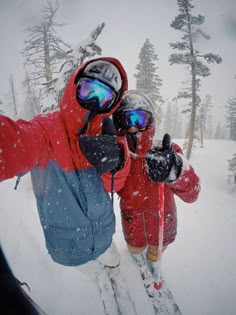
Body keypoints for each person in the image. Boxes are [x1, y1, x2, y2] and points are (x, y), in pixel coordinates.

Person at [0, 57, 131, 270]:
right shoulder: (45, 131)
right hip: (68, 247)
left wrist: (118, 161)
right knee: (87, 277)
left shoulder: (105, 135)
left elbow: (112, 185)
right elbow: (12, 142)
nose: (94, 102)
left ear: (112, 104)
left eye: (104, 97)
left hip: (105, 233)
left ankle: (111, 269)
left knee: (113, 262)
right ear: (74, 87)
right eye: (89, 90)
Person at [112, 90, 200, 295]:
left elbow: (193, 193)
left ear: (150, 120)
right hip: (132, 229)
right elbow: (110, 188)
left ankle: (154, 268)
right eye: (126, 119)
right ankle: (138, 268)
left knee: (156, 255)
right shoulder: (118, 154)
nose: (133, 126)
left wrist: (175, 169)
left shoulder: (166, 151)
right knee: (135, 253)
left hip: (163, 229)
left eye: (139, 118)